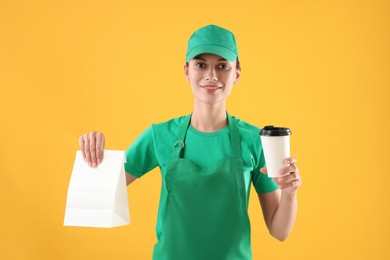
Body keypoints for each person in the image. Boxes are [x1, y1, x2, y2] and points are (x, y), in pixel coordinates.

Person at [78, 24, 302, 260]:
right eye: (201, 64)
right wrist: (92, 152)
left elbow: (280, 231)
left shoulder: (255, 141)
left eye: (223, 66)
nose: (211, 75)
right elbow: (98, 192)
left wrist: (289, 194)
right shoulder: (160, 136)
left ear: (236, 73)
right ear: (187, 71)